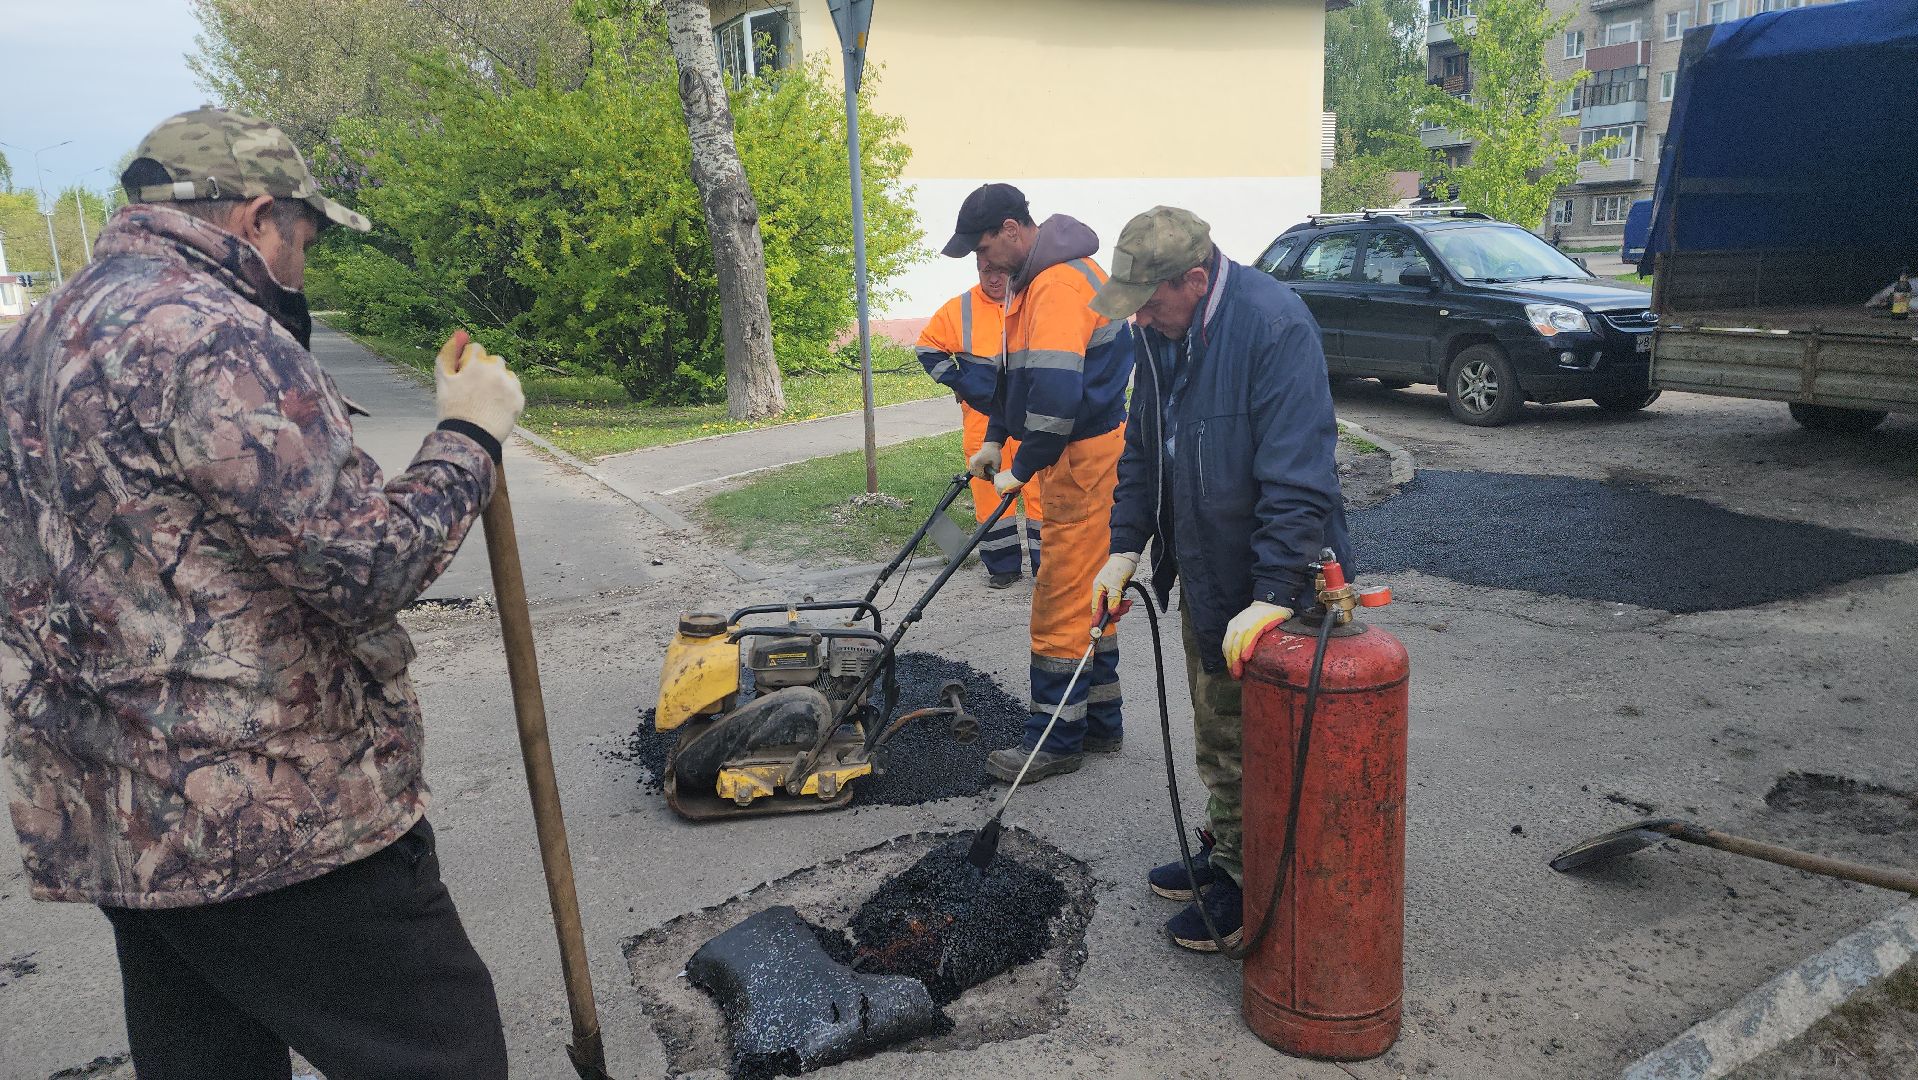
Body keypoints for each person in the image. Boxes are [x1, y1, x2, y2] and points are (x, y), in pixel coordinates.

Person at [0, 109, 526, 1078]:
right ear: (254, 215)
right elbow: (366, 568)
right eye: (305, 238)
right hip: (273, 816)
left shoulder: (35, 341)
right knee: (441, 1055)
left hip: (122, 817)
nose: (304, 263)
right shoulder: (214, 339)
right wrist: (471, 436)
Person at [1088, 206, 1351, 952]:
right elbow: (1143, 447)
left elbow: (1299, 477)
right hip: (1204, 566)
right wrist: (1123, 547)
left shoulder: (1275, 327)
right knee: (1216, 724)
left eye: (1148, 303)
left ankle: (1254, 879)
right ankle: (1231, 848)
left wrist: (1273, 593)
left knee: (1260, 737)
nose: (1138, 320)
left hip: (1273, 577)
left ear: (1194, 281)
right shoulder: (1161, 336)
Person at [939, 183, 1134, 783]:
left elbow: (1054, 399)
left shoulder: (1058, 285)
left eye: (982, 247)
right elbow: (1016, 376)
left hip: (1086, 457)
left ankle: (1053, 740)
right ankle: (1101, 723)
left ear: (1011, 229)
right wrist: (997, 436)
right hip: (1075, 452)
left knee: (1059, 600)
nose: (981, 262)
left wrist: (1019, 470)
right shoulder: (1031, 283)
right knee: (1089, 595)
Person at [915, 255, 1044, 587]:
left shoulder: (1034, 300)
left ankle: (1049, 567)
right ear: (978, 270)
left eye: (1002, 269)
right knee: (988, 493)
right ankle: (1002, 567)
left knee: (1041, 493)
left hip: (1031, 416)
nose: (996, 278)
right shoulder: (959, 308)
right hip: (983, 419)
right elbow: (927, 348)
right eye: (988, 270)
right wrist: (962, 383)